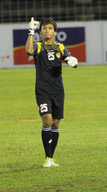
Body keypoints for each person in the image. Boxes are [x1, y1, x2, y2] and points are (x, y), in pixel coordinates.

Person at [25, 17, 78, 167]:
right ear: (40, 31)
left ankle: (51, 158)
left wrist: (74, 62)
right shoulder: (38, 46)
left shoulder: (60, 47)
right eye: (44, 28)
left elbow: (71, 60)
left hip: (58, 91)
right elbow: (29, 51)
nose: (47, 30)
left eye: (49, 28)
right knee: (47, 121)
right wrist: (30, 31)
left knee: (55, 124)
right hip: (42, 91)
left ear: (54, 31)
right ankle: (47, 158)